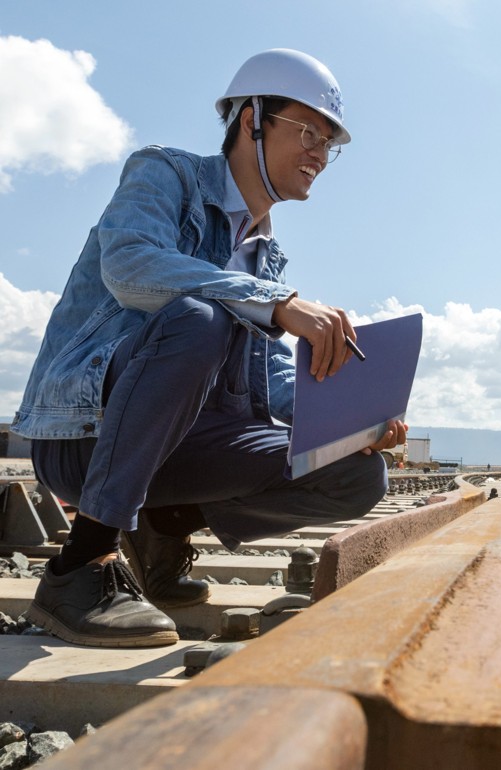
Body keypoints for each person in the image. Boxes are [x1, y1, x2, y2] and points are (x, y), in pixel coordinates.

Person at [12, 49, 407, 648]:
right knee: (198, 319)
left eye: (330, 144)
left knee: (358, 475)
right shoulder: (164, 174)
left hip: (183, 451)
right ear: (252, 118)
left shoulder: (266, 257)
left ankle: (161, 526)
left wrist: (355, 422)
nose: (320, 156)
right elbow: (129, 265)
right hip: (84, 437)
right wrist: (275, 304)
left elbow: (274, 378)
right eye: (308, 132)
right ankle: (80, 566)